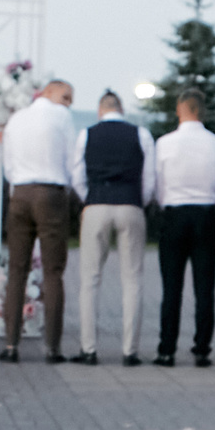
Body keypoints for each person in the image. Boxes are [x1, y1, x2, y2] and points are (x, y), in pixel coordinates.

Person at [71, 91, 156, 366]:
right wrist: (138, 201)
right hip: (130, 203)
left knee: (90, 280)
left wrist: (90, 198)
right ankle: (130, 351)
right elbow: (150, 177)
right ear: (121, 109)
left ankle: (89, 349)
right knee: (132, 280)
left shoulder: (87, 134)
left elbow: (77, 174)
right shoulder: (140, 134)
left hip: (96, 203)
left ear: (100, 110)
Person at [0, 78, 79, 363]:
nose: (68, 103)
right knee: (53, 271)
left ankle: (11, 344)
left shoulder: (17, 119)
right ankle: (52, 347)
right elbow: (73, 160)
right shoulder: (62, 118)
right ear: (48, 92)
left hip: (20, 194)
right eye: (66, 96)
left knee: (17, 270)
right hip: (51, 192)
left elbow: (8, 164)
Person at [154, 91, 215, 367]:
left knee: (171, 287)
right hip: (206, 214)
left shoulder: (164, 144)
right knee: (204, 286)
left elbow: (157, 183)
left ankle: (166, 348)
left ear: (180, 110)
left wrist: (166, 204)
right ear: (202, 111)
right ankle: (201, 348)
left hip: (174, 212)